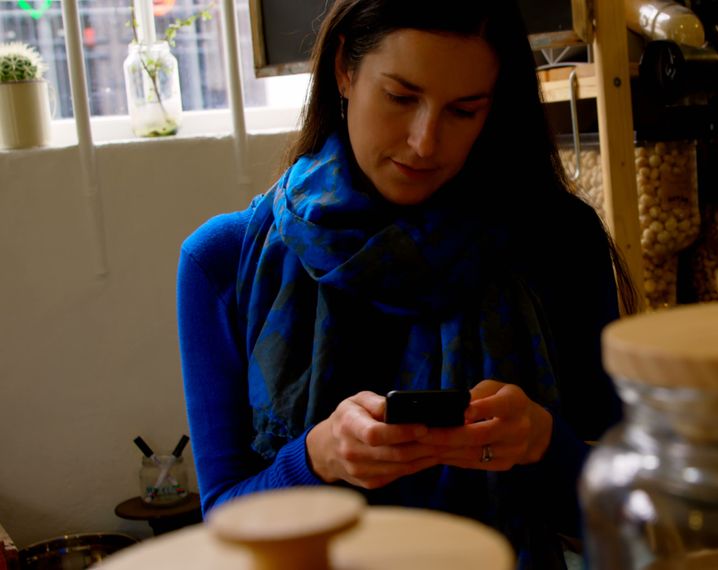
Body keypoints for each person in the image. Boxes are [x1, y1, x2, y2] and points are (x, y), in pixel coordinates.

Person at [176, 0, 635, 567]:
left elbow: (624, 519)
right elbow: (223, 530)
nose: (425, 142)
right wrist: (316, 458)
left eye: (464, 111)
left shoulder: (555, 241)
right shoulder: (222, 261)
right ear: (345, 69)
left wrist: (543, 443)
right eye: (401, 97)